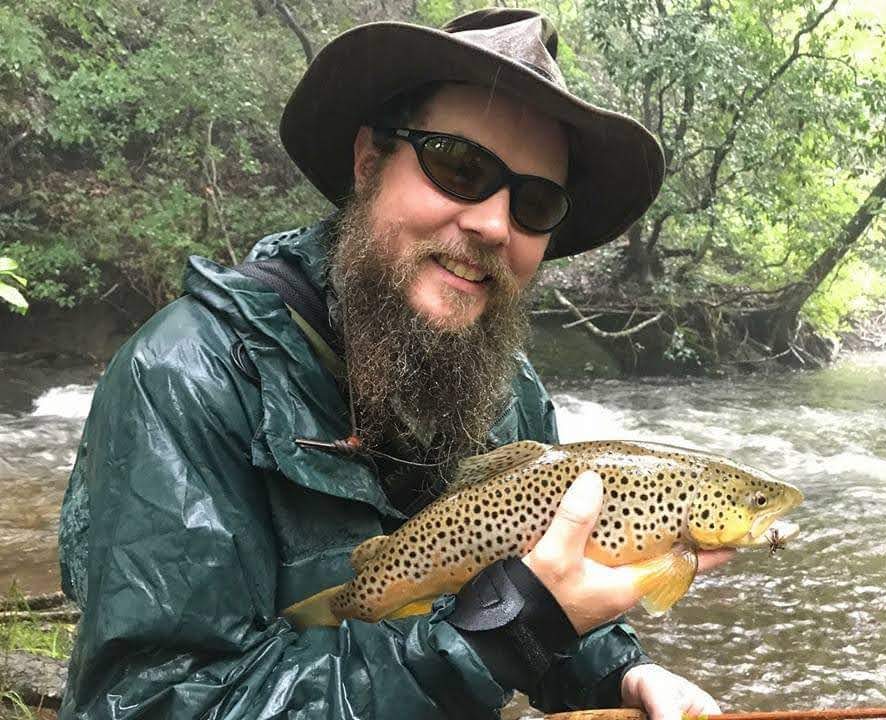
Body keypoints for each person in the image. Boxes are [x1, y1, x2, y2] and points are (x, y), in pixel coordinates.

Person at [57, 8, 733, 719]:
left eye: (535, 201)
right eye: (460, 167)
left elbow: (546, 586)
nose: (494, 224)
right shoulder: (188, 376)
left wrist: (621, 672)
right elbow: (155, 704)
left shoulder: (507, 392)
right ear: (368, 162)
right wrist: (487, 642)